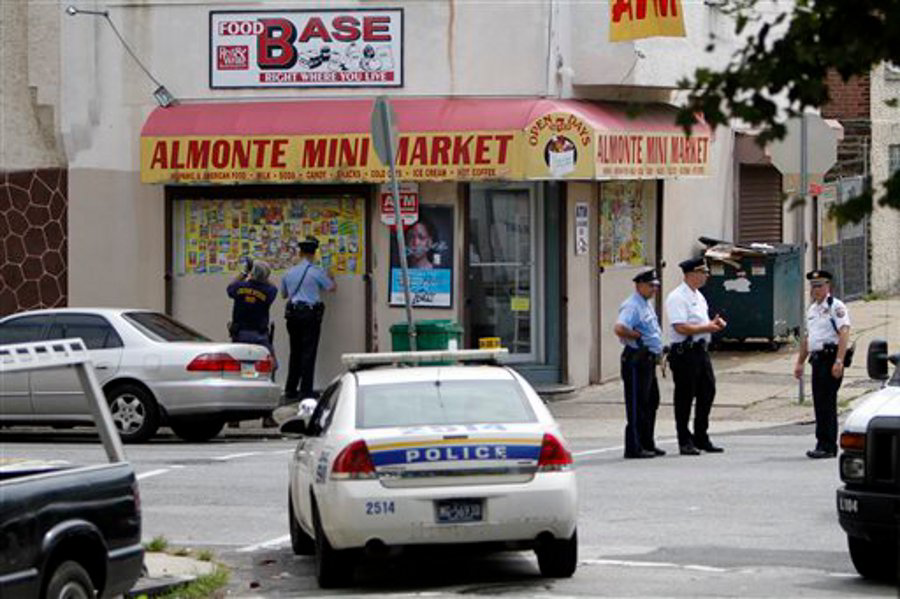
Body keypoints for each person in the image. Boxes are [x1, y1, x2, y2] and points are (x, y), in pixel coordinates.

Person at [665, 257, 728, 456]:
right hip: (685, 352)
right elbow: (680, 326)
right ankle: (684, 439)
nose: (706, 276)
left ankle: (701, 435)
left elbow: (699, 322)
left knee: (707, 392)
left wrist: (713, 323)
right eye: (703, 272)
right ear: (692, 274)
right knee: (685, 396)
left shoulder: (699, 296)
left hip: (701, 350)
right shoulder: (677, 297)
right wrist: (707, 327)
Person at [793, 270, 851, 459]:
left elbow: (844, 333)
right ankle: (822, 442)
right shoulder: (812, 310)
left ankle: (828, 445)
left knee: (827, 402)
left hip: (831, 357)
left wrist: (839, 360)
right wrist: (800, 362)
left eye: (819, 285)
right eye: (813, 286)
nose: (815, 289)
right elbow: (808, 339)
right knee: (820, 402)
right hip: (817, 359)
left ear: (828, 286)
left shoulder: (836, 306)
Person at [614, 268, 665, 459]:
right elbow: (619, 328)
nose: (654, 289)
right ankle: (634, 447)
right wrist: (636, 335)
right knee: (637, 404)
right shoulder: (632, 305)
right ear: (640, 285)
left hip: (648, 359)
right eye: (651, 285)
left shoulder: (645, 304)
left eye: (656, 286)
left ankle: (647, 442)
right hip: (636, 358)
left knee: (651, 401)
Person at [281, 236, 336, 401]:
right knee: (308, 352)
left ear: (300, 252)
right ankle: (306, 391)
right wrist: (331, 276)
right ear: (314, 253)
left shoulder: (289, 272)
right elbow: (332, 288)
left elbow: (283, 295)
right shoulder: (316, 272)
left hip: (293, 314)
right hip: (310, 314)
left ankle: (290, 389)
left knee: (295, 352)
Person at [227, 258, 277, 361]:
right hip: (260, 334)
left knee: (238, 362)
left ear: (252, 273)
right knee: (270, 363)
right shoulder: (268, 291)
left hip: (240, 333)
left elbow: (230, 286)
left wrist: (245, 272)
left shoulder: (240, 286)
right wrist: (263, 276)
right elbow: (274, 288)